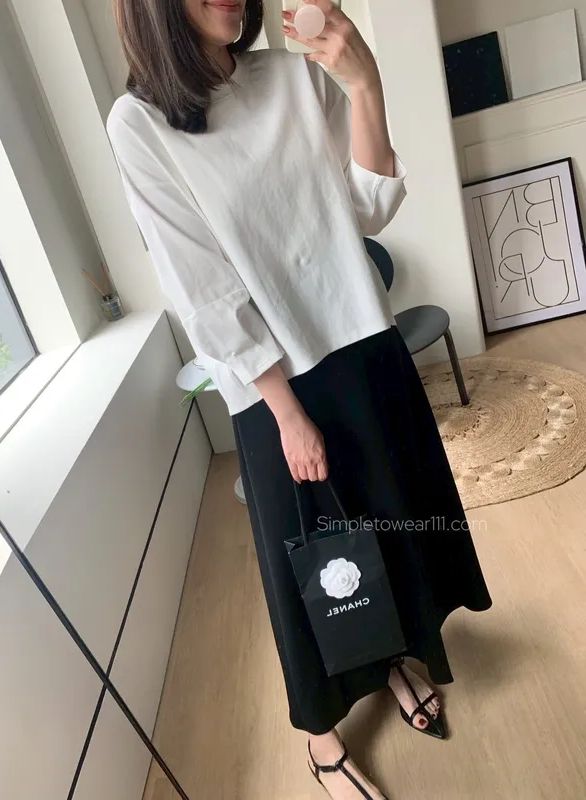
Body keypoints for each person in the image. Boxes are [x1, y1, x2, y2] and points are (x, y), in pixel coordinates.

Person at [108, 1, 492, 797]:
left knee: (391, 526)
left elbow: (369, 208)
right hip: (272, 384)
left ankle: (394, 659)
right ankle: (322, 744)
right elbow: (200, 286)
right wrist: (285, 411)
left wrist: (364, 85)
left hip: (364, 343)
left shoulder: (292, 80)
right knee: (309, 567)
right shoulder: (140, 123)